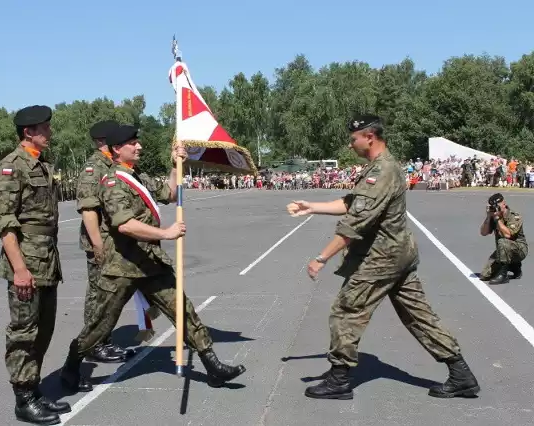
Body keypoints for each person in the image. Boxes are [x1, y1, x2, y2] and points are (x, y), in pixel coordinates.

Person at [286, 114, 479, 401]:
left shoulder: (383, 170)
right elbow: (353, 202)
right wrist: (312, 206)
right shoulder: (379, 168)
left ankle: (339, 379)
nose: (350, 145)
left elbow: (356, 222)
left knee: (346, 310)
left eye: (353, 139)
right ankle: (461, 373)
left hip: (381, 257)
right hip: (397, 254)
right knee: (418, 315)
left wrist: (321, 257)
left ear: (369, 137)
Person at [59, 123, 246, 392]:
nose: (139, 146)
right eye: (132, 143)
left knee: (183, 310)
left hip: (150, 262)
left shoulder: (138, 177)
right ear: (116, 149)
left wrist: (175, 166)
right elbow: (125, 225)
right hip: (122, 266)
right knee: (100, 325)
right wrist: (166, 233)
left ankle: (212, 364)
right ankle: (72, 366)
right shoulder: (112, 182)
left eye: (138, 141)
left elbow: (168, 194)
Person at [0, 105, 69, 425]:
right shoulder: (11, 167)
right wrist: (20, 269)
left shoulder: (41, 164)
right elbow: (5, 224)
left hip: (47, 259)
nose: (49, 133)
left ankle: (33, 390)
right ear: (28, 132)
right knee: (24, 330)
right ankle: (23, 399)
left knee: (44, 328)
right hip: (26, 261)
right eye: (44, 128)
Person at [75, 120, 136, 363]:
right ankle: (93, 345)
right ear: (103, 141)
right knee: (98, 295)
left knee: (109, 294)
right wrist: (97, 244)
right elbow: (88, 209)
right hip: (99, 242)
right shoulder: (94, 168)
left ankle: (102, 339)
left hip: (114, 241)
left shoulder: (111, 164)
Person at [479, 193, 527, 284]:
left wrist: (497, 219)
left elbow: (508, 235)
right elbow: (483, 233)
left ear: (504, 204)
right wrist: (489, 217)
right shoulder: (494, 216)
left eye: (496, 206)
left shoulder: (514, 216)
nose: (495, 208)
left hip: (519, 250)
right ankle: (514, 267)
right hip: (503, 251)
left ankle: (503, 275)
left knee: (502, 242)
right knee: (485, 275)